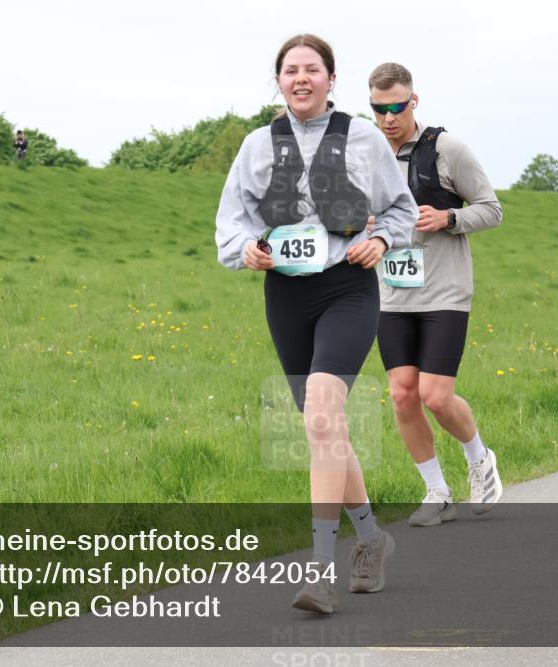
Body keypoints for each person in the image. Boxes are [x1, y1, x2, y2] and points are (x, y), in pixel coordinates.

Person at [215, 35, 417, 613]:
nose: (301, 78)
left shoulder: (363, 138)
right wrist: (247, 249)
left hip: (347, 288)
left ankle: (320, 572)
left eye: (312, 69)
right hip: (286, 295)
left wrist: (379, 238)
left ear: (331, 79)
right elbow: (231, 222)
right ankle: (374, 541)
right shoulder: (257, 145)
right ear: (277, 81)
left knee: (324, 416)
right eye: (290, 71)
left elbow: (401, 209)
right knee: (326, 430)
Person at [367, 63, 504, 526]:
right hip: (391, 294)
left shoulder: (447, 149)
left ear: (414, 101)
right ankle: (436, 491)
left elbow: (492, 210)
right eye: (378, 109)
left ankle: (479, 457)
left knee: (436, 395)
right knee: (402, 395)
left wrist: (448, 219)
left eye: (396, 107)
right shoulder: (365, 155)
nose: (388, 117)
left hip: (444, 291)